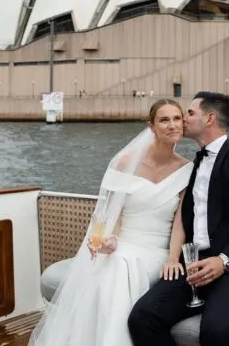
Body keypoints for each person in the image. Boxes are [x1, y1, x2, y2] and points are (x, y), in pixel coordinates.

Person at [128, 91, 229, 346]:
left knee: (217, 332)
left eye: (190, 113)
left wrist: (224, 261)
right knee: (142, 317)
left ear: (210, 118)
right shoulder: (194, 165)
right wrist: (175, 257)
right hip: (195, 265)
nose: (183, 117)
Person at [28, 99, 194, 346]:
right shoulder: (125, 163)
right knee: (114, 262)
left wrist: (172, 258)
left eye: (177, 119)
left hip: (156, 250)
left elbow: (180, 222)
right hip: (123, 243)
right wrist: (109, 239)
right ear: (151, 126)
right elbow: (111, 215)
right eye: (164, 120)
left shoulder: (187, 170)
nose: (172, 125)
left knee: (117, 266)